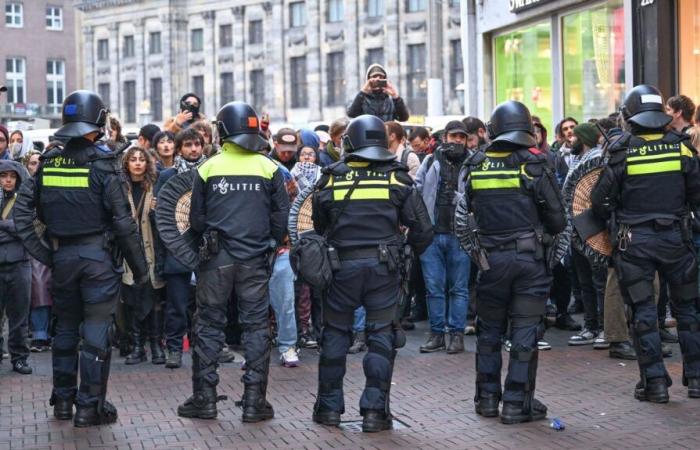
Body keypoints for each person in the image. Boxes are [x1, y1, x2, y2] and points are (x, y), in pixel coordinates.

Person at [16, 90, 148, 426]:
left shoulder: (46, 163)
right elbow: (123, 222)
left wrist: (47, 254)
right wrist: (141, 271)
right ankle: (89, 407)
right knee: (95, 332)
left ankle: (62, 402)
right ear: (100, 120)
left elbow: (23, 216)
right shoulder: (103, 163)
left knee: (64, 331)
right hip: (97, 259)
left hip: (62, 258)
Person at [311, 114, 432, 432]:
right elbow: (422, 228)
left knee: (335, 334)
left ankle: (328, 407)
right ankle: (376, 412)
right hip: (384, 269)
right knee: (381, 337)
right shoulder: (396, 177)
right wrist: (406, 251)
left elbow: (319, 225)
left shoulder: (331, 177)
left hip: (340, 270)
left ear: (349, 142)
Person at [177, 101, 289, 422]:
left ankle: (204, 399)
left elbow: (196, 220)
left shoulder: (208, 167)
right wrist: (267, 244)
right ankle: (255, 402)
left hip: (216, 259)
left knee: (209, 325)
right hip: (255, 258)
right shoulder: (269, 168)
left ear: (222, 129)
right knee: (256, 326)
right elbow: (280, 217)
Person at [456, 100, 566, 424]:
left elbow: (466, 213)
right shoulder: (536, 163)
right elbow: (558, 221)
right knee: (525, 331)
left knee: (488, 330)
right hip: (530, 260)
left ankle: (487, 399)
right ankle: (517, 403)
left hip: (490, 260)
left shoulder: (476, 164)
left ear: (493, 130)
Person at [591, 84, 700, 403]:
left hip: (634, 244)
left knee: (643, 313)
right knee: (688, 311)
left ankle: (654, 384)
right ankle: (695, 379)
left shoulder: (622, 149)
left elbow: (599, 201)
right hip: (676, 241)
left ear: (630, 116)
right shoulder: (681, 148)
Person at [415, 120, 472, 354]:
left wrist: (464, 199)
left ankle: (456, 335)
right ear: (445, 137)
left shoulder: (474, 162)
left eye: (462, 137)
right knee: (434, 288)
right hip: (432, 234)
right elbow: (416, 190)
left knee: (459, 288)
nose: (457, 141)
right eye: (454, 136)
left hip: (461, 235)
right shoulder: (430, 160)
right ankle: (437, 334)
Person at [155, 128, 206, 369]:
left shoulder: (212, 172)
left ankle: (210, 345)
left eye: (197, 144)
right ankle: (174, 348)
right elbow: (161, 214)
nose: (193, 149)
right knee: (177, 304)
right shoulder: (166, 175)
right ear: (179, 148)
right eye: (188, 145)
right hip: (177, 246)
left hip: (207, 247)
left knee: (210, 302)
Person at [120, 147, 166, 365]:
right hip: (128, 252)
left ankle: (156, 345)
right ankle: (138, 346)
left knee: (154, 297)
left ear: (148, 163)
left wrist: (158, 212)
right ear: (126, 163)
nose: (137, 163)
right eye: (133, 160)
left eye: (141, 160)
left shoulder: (155, 186)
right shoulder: (120, 187)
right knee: (132, 299)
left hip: (152, 250)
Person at [564, 123, 608, 349]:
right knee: (585, 283)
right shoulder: (577, 160)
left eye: (574, 136)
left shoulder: (598, 159)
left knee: (599, 282)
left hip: (594, 231)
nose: (570, 139)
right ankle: (590, 326)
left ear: (584, 139)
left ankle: (602, 328)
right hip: (577, 230)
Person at [0, 159, 32, 374]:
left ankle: (19, 358)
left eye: (12, 176)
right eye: (3, 176)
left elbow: (26, 227)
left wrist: (3, 225)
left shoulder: (24, 199)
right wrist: (12, 229)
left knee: (19, 316)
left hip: (20, 263)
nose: (8, 180)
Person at [22, 150, 53, 353]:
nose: (36, 166)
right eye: (32, 163)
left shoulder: (49, 185)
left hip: (54, 242)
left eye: (38, 163)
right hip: (33, 245)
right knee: (39, 286)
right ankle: (40, 333)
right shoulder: (23, 188)